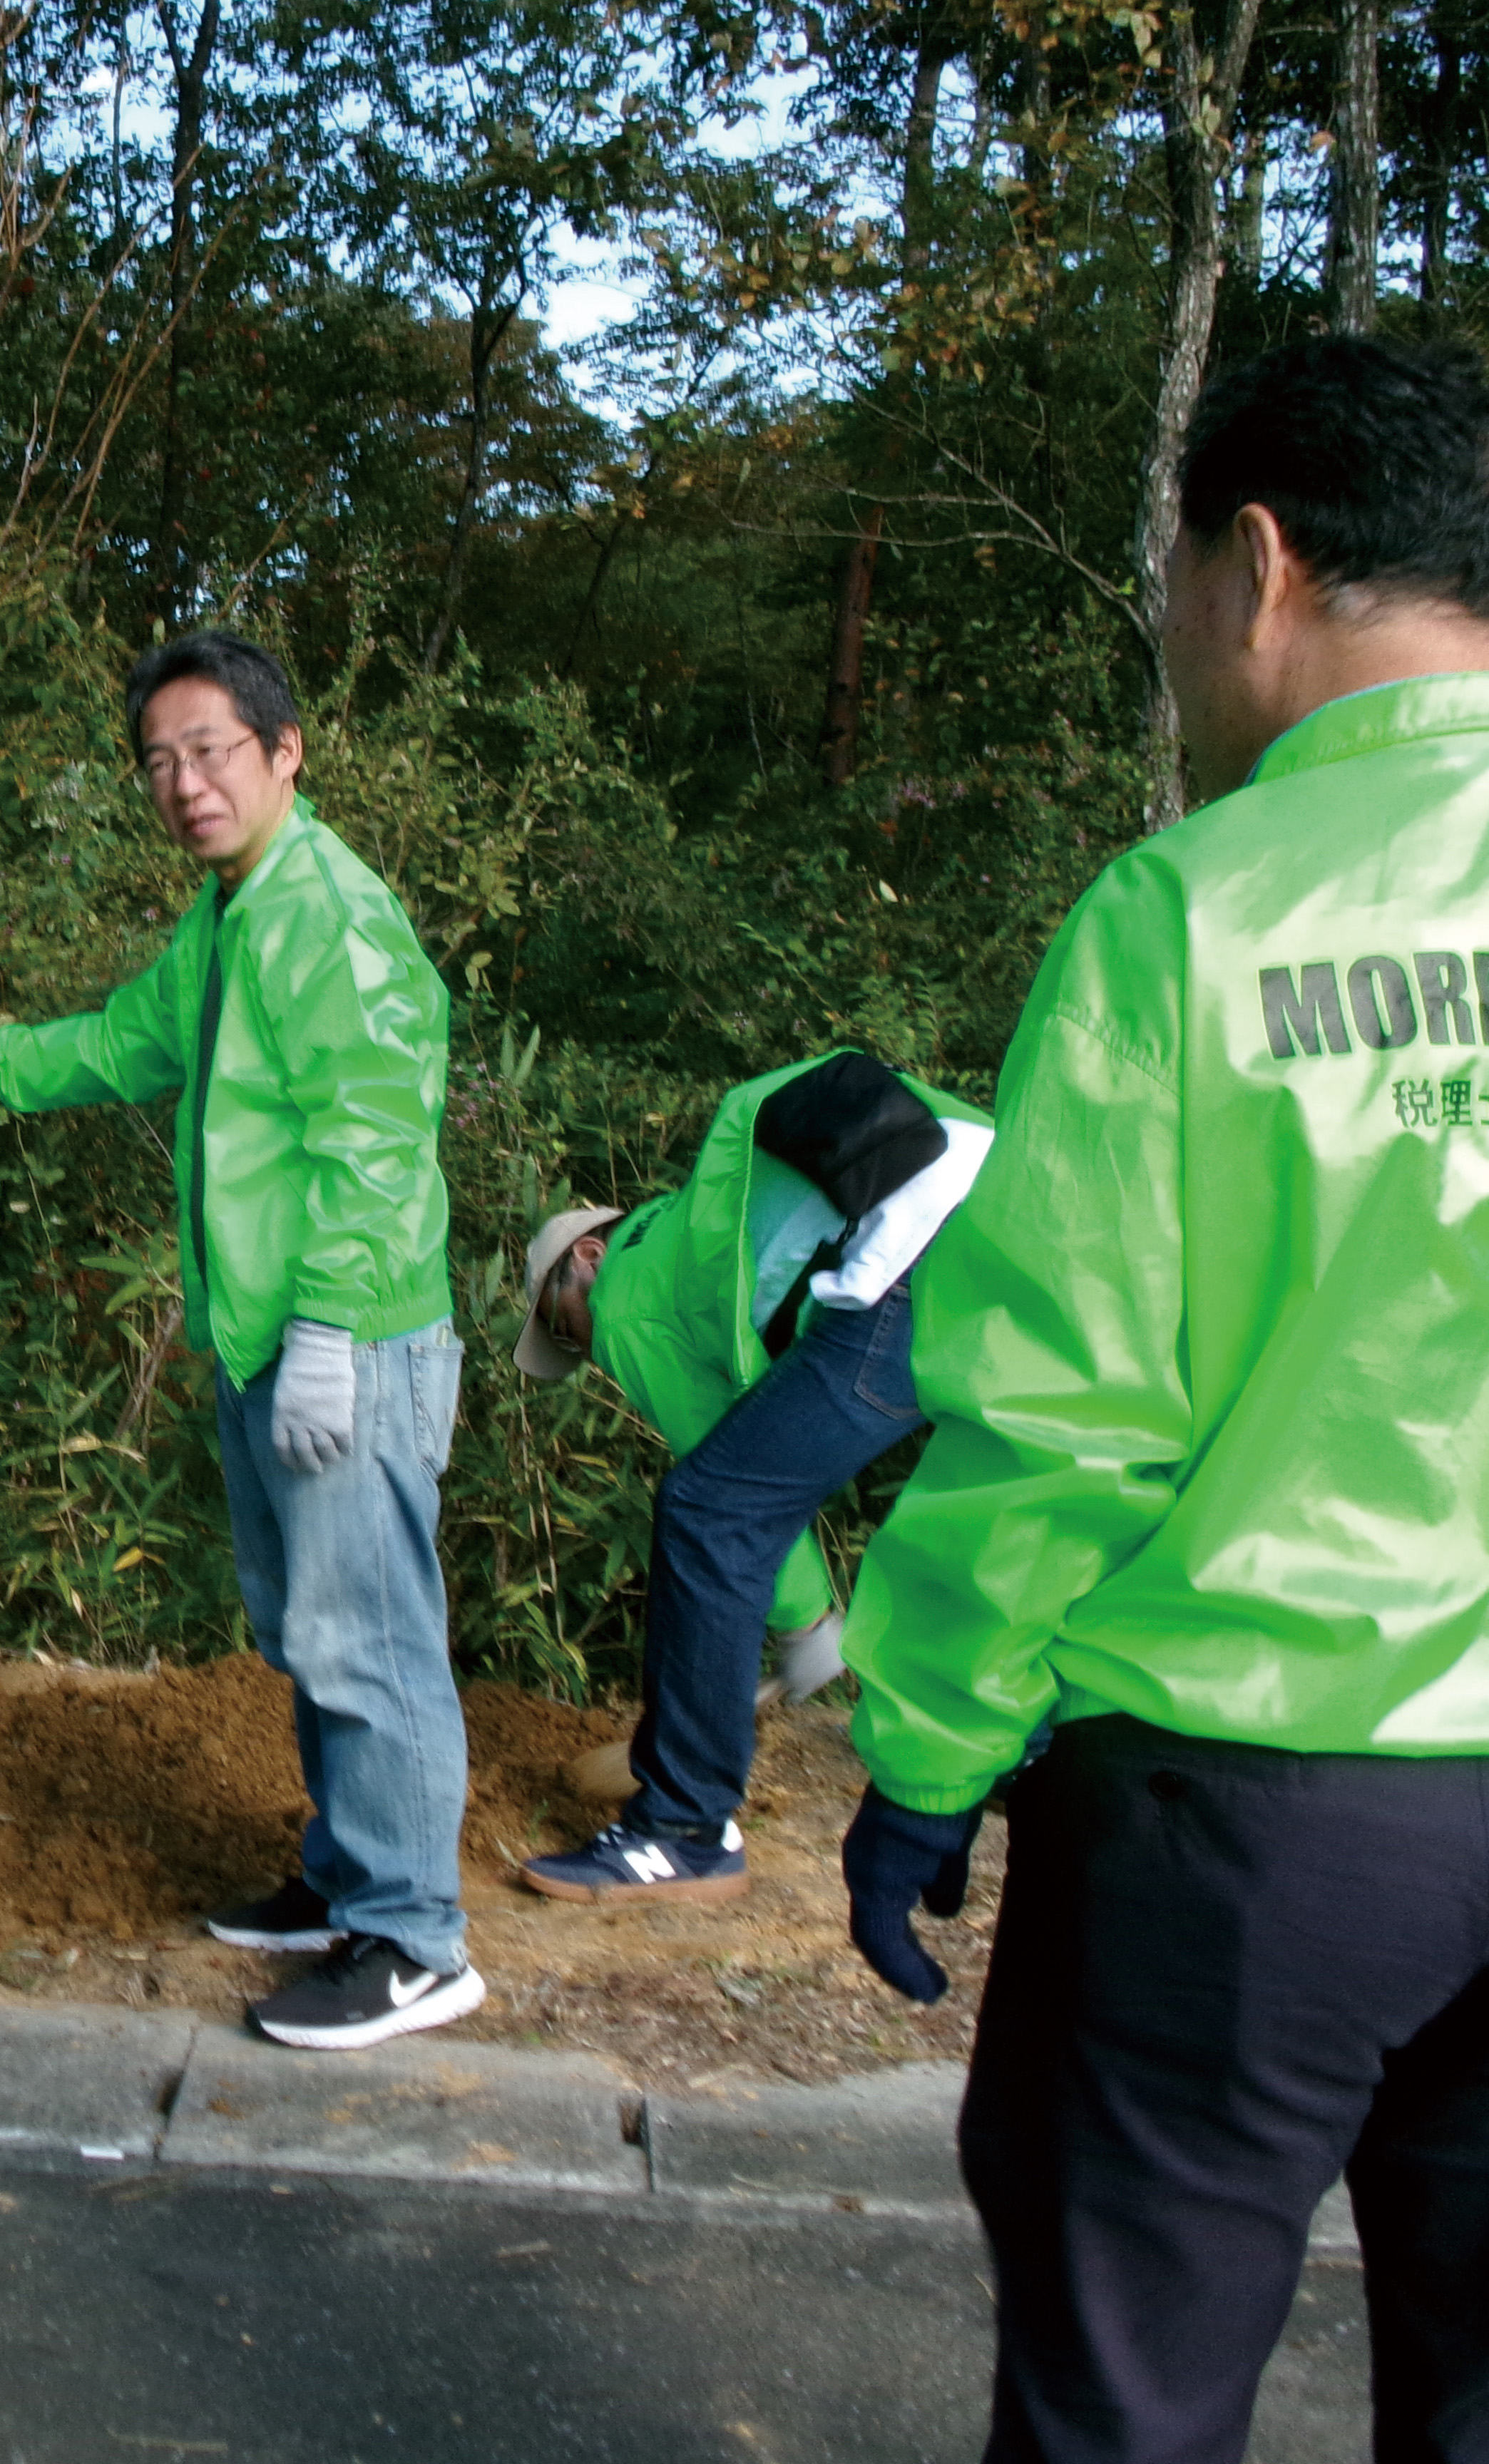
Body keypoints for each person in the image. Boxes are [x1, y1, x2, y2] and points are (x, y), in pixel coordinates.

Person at [841, 335, 1489, 2461]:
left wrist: (929, 1754)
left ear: (1264, 567)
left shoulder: (1194, 916)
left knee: (1128, 2394)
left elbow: (1059, 1416)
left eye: (1182, 589)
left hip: (1243, 1812)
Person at [0, 630, 474, 2050]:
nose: (184, 781)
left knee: (369, 1636)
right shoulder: (234, 911)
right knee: (313, 1628)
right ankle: (348, 1883)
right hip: (273, 1336)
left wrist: (326, 1320)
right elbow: (135, 1039)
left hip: (349, 1336)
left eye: (209, 750)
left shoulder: (328, 911)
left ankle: (414, 1940)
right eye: (158, 759)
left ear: (284, 751)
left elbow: (377, 1135)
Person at [511, 1050, 991, 1904]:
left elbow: (727, 1482)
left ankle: (683, 1828)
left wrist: (805, 1619)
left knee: (705, 1510)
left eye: (559, 1320)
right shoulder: (690, 1228)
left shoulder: (628, 1299)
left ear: (590, 1253)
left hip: (914, 1253)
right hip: (998, 1216)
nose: (579, 1348)